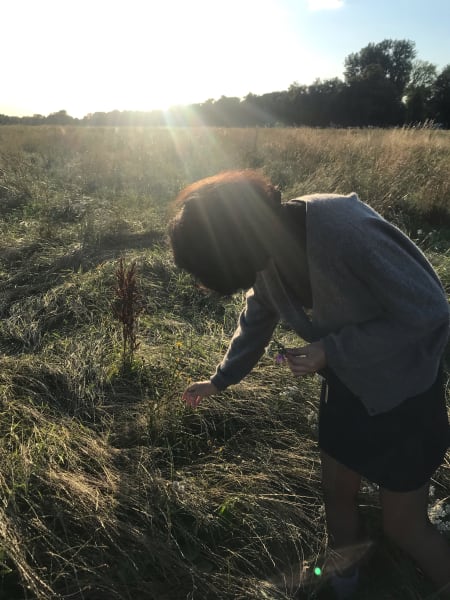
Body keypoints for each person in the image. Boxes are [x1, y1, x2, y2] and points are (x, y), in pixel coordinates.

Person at [168, 170, 450, 599]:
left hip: (404, 396)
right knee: (335, 493)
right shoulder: (262, 247)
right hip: (346, 391)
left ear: (233, 245)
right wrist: (220, 380)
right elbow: (257, 314)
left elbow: (430, 311)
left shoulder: (344, 229)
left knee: (403, 525)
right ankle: (345, 577)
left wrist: (331, 351)